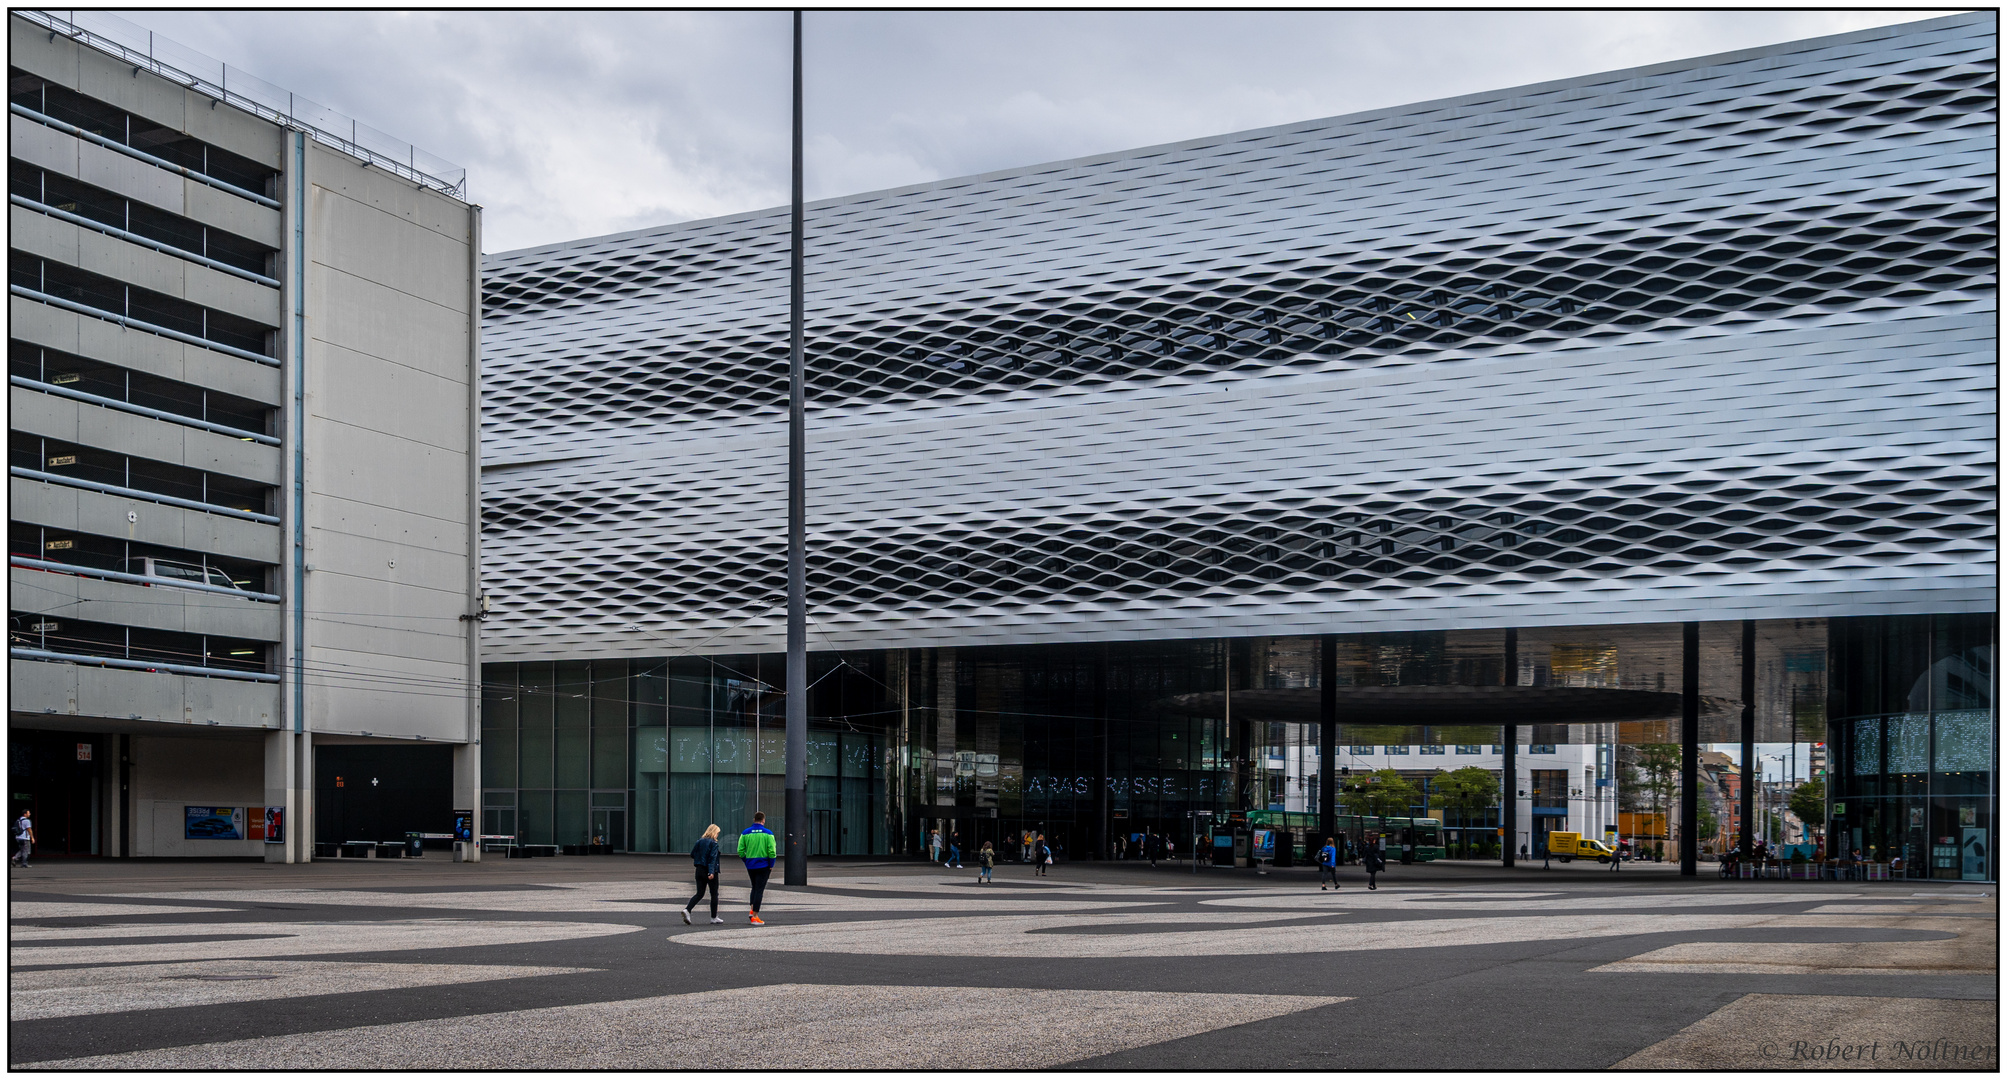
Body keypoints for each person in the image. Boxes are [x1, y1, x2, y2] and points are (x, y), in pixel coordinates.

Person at [737, 811, 778, 925]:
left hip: (751, 865)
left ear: (754, 819)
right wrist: (771, 864)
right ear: (763, 820)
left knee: (754, 887)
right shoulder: (768, 833)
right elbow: (772, 851)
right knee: (760, 889)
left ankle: (752, 909)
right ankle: (755, 915)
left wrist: (746, 860)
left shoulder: (745, 833)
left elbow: (740, 850)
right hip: (764, 865)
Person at [682, 824, 724, 925]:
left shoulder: (699, 841)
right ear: (714, 832)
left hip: (699, 870)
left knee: (699, 893)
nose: (718, 835)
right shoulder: (713, 843)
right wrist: (711, 871)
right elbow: (712, 859)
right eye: (717, 833)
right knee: (714, 894)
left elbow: (692, 854)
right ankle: (714, 917)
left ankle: (687, 910)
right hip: (710, 871)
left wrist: (699, 859)